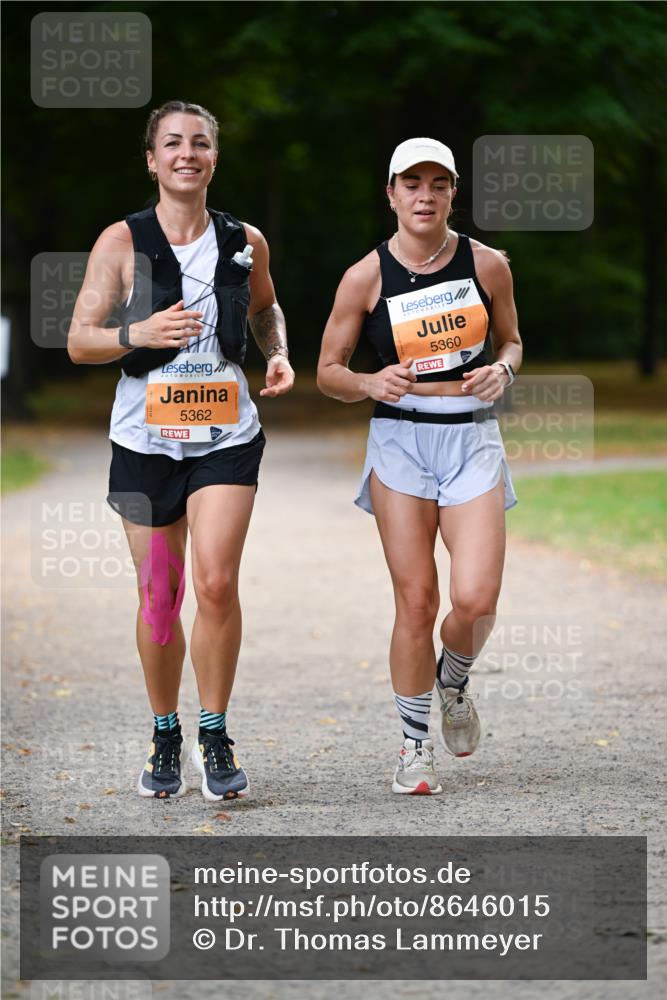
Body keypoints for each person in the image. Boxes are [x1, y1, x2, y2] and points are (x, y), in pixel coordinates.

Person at [67, 100, 294, 802]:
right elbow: (80, 341)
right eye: (172, 143)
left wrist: (277, 354)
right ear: (152, 159)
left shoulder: (243, 238)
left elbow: (263, 308)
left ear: (213, 158)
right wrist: (140, 333)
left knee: (216, 583)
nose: (186, 153)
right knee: (160, 597)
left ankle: (214, 730)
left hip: (225, 437)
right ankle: (165, 733)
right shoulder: (121, 242)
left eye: (199, 142)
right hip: (144, 440)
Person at [317, 138, 521, 795]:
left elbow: (512, 339)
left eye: (437, 183)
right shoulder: (364, 276)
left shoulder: (485, 265)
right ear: (391, 193)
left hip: (470, 438)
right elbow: (327, 374)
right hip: (400, 443)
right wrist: (368, 384)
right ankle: (412, 748)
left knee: (474, 599)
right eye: (411, 183)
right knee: (416, 601)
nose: (424, 195)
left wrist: (502, 369)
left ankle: (452, 682)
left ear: (452, 192)